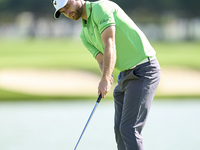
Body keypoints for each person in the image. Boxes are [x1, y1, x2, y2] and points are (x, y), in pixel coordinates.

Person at [52, 0, 161, 149]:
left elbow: (110, 43)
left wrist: (104, 79)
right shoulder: (84, 35)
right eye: (63, 11)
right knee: (119, 130)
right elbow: (102, 60)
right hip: (125, 76)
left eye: (67, 6)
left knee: (129, 128)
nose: (67, 12)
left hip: (144, 70)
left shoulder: (100, 8)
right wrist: (106, 76)